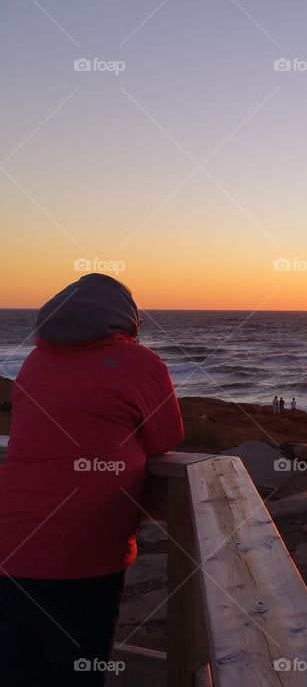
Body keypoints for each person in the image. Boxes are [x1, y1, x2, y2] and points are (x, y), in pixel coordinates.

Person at [0, 274, 184, 687]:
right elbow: (166, 439)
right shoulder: (140, 362)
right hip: (82, 549)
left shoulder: (35, 361)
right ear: (126, 318)